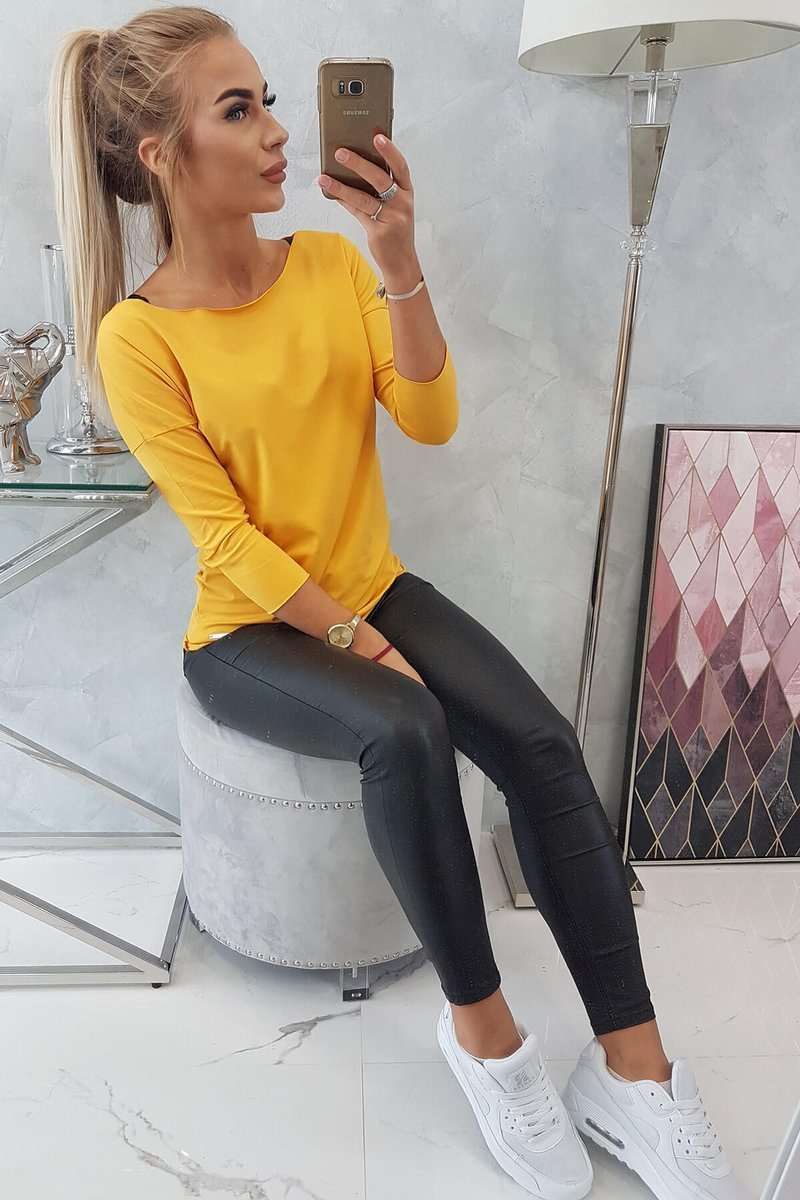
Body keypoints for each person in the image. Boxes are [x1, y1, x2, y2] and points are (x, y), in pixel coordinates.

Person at [47, 8, 751, 1199]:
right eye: (238, 110)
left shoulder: (328, 268)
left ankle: (632, 1069)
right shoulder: (137, 336)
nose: (277, 132)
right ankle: (487, 1041)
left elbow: (428, 417)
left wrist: (396, 256)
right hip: (248, 631)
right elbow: (226, 540)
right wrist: (360, 643)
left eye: (270, 101)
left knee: (539, 745)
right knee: (406, 727)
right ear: (162, 155)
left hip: (367, 583)